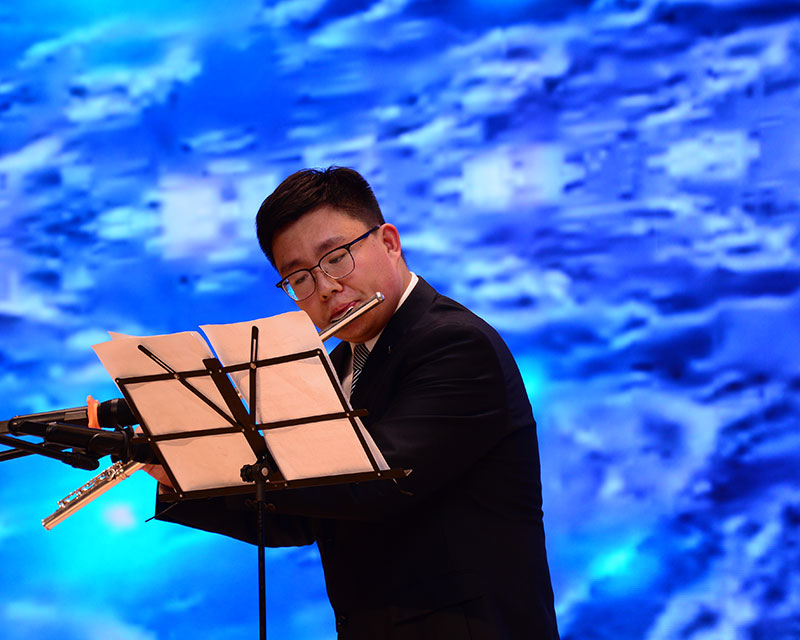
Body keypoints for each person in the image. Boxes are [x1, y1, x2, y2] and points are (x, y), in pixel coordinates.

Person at [152, 167, 559, 639]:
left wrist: (233, 460)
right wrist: (181, 468)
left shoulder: (455, 343)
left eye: (336, 257)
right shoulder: (339, 363)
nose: (325, 287)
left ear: (389, 242)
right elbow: (300, 518)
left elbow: (374, 485)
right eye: (299, 278)